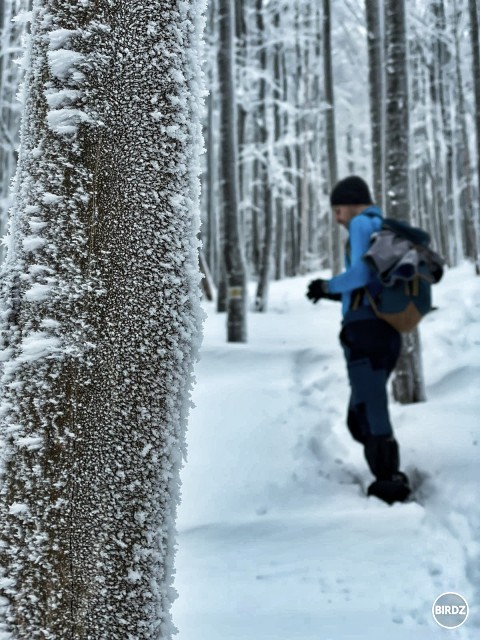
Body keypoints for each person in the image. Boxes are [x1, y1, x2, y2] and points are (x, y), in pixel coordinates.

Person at [306, 175, 411, 505]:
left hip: (367, 332)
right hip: (384, 330)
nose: (337, 219)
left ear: (350, 204)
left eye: (338, 210)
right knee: (360, 414)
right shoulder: (382, 227)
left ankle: (389, 482)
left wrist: (326, 285)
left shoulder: (362, 223)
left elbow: (360, 275)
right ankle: (388, 472)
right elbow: (367, 286)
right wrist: (332, 295)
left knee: (370, 408)